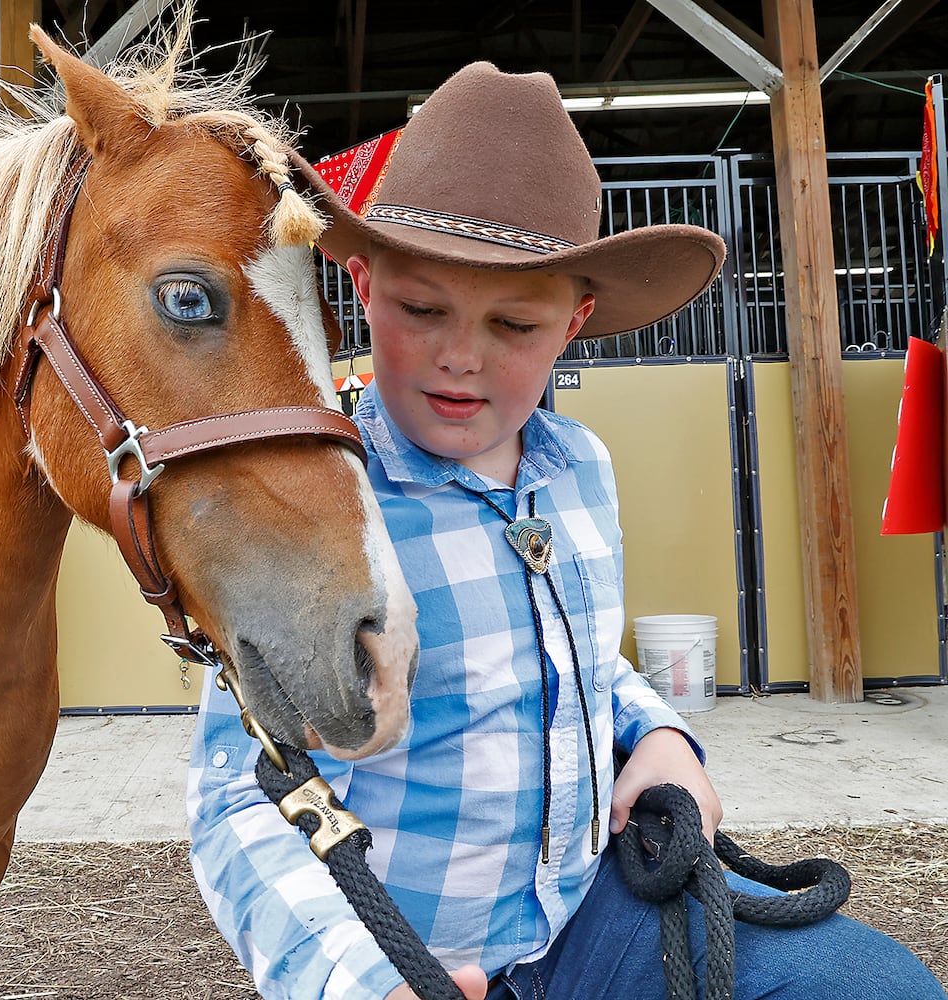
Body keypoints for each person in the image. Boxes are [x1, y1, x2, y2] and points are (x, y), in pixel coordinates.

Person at [187, 61, 946, 1000]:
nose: (461, 358)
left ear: (575, 321)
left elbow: (580, 658)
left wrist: (664, 738)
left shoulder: (580, 468)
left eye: (515, 325)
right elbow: (238, 793)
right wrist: (359, 979)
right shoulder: (318, 501)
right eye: (423, 309)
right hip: (415, 957)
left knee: (873, 985)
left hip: (587, 916)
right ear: (361, 285)